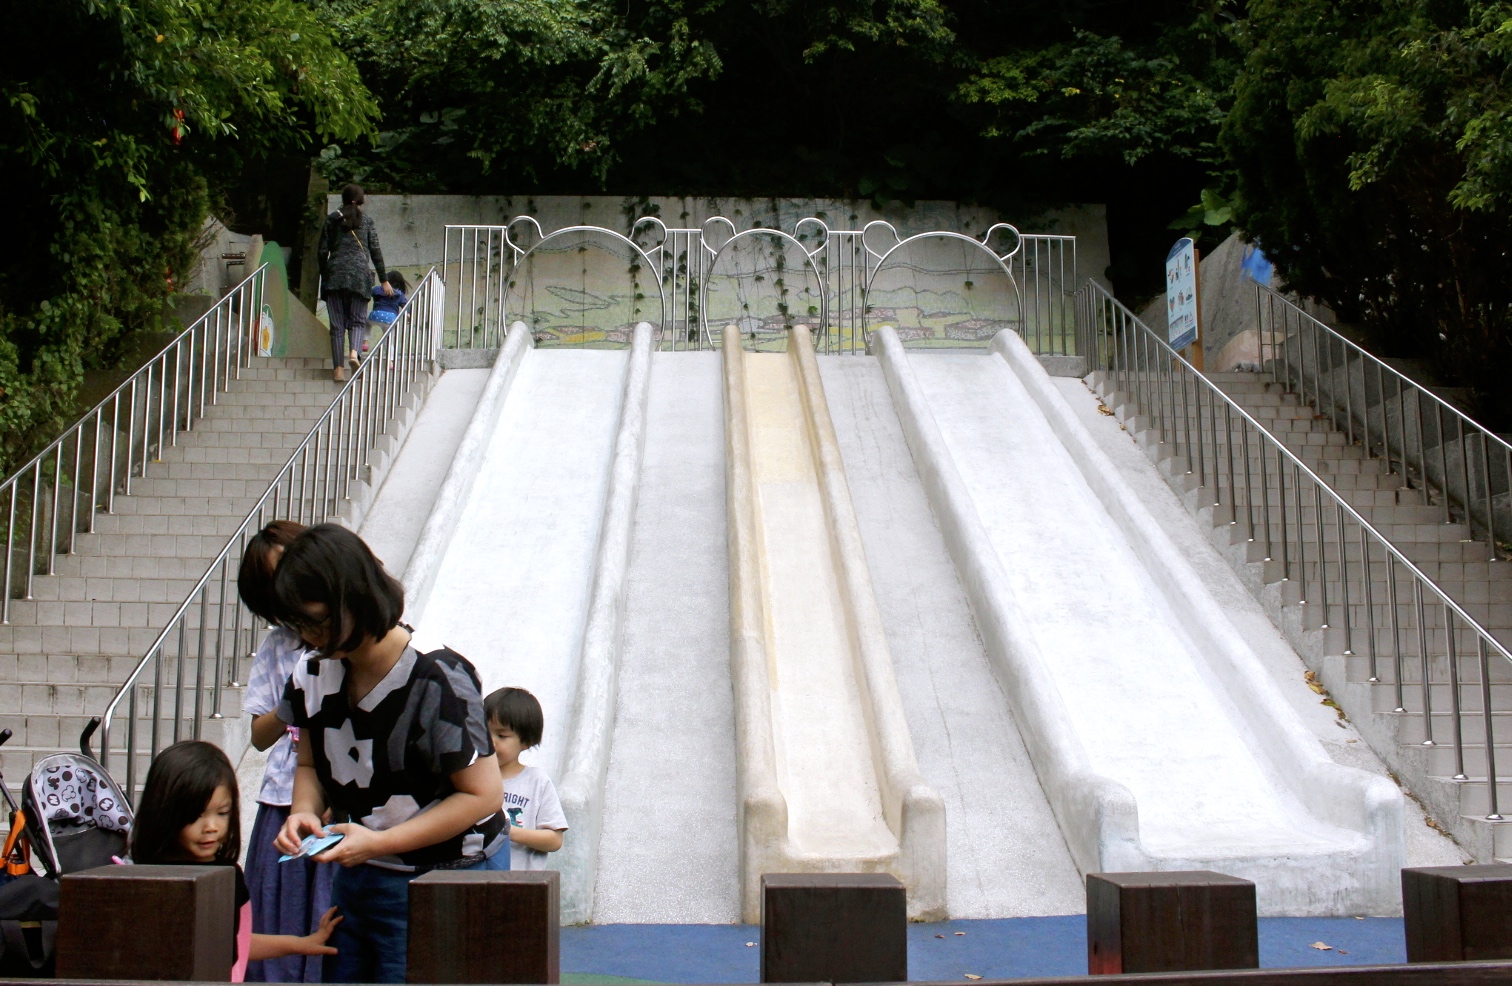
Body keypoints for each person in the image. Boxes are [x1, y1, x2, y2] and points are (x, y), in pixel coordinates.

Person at [270, 524, 508, 984]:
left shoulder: (438, 674)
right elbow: (310, 762)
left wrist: (378, 842)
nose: (309, 636)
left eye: (316, 621)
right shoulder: (313, 670)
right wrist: (303, 812)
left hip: (447, 877)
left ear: (354, 596)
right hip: (358, 874)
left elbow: (482, 796)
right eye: (298, 624)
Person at [130, 741, 342, 983]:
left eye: (222, 813)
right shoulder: (150, 880)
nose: (211, 827)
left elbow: (235, 943)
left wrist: (303, 943)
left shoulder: (229, 874)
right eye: (195, 815)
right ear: (164, 812)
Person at [236, 520, 333, 983]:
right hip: (282, 801)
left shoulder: (351, 640)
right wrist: (290, 702)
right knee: (278, 917)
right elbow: (259, 734)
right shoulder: (276, 648)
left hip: (343, 805)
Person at [484, 688, 568, 871]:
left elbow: (554, 840)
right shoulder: (470, 778)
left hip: (522, 887)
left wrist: (508, 832)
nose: (490, 741)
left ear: (526, 741)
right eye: (483, 732)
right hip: (477, 883)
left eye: (502, 735)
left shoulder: (536, 781)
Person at [318, 184, 392, 384]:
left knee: (337, 326)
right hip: (360, 276)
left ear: (343, 199)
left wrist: (326, 273)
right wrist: (384, 279)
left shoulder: (332, 220)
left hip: (335, 276)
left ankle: (338, 370)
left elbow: (322, 251)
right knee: (358, 322)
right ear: (361, 200)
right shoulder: (367, 221)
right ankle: (353, 353)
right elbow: (375, 252)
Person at [364, 270, 409, 358]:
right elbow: (406, 307)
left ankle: (365, 341)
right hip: (390, 320)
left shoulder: (377, 289)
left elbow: (368, 294)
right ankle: (390, 360)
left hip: (375, 316)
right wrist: (408, 316)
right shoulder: (400, 295)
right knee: (389, 340)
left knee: (365, 320)